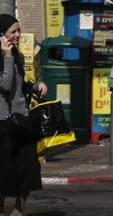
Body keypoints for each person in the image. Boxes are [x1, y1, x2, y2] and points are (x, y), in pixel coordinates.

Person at [0, 14, 47, 216]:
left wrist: (36, 86)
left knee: (29, 170)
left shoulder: (17, 55)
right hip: (2, 123)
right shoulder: (9, 56)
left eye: (18, 30)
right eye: (13, 31)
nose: (18, 35)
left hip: (21, 121)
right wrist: (7, 57)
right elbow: (5, 85)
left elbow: (20, 86)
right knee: (2, 176)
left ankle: (17, 212)